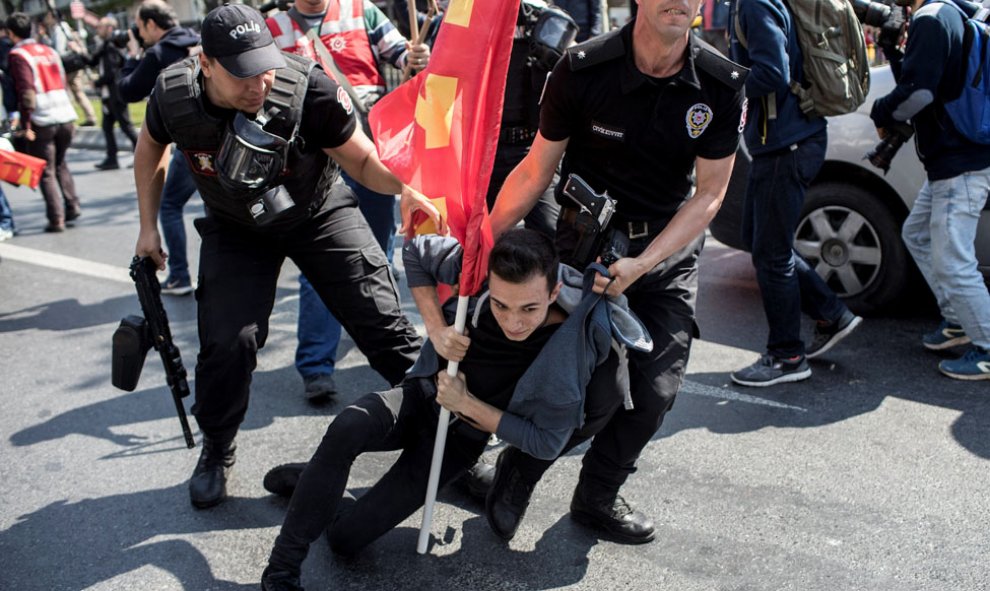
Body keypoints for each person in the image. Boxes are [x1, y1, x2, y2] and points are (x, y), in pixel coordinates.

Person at [132, 3, 438, 510]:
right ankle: (217, 447)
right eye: (243, 74)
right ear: (206, 64)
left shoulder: (307, 87)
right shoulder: (174, 94)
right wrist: (147, 227)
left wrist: (403, 186)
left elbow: (360, 157)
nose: (260, 84)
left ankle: (448, 431)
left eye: (266, 66)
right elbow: (150, 150)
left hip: (317, 211)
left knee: (384, 324)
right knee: (229, 343)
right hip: (237, 228)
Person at [488, 0, 747, 544]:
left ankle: (597, 497)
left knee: (656, 392)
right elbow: (537, 169)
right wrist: (484, 239)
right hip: (585, 246)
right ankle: (521, 470)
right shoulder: (581, 68)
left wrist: (645, 263)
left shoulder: (721, 84)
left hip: (664, 252)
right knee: (585, 391)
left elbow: (710, 194)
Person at [259, 228, 645, 591]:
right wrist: (436, 329)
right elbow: (414, 251)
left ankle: (321, 485)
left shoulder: (573, 347)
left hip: (458, 440)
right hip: (420, 397)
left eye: (529, 308)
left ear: (554, 289)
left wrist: (468, 405)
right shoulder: (475, 269)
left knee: (345, 540)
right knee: (348, 426)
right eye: (499, 304)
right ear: (488, 284)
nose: (513, 321)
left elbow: (546, 442)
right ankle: (281, 567)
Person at [266, 0, 432, 400]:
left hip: (368, 151)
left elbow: (403, 56)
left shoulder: (363, 11)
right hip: (308, 162)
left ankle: (386, 348)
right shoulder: (271, 27)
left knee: (373, 260)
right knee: (318, 266)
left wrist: (418, 55)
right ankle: (316, 366)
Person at [727, 0, 862, 388]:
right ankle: (831, 312)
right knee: (759, 240)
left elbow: (771, 73)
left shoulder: (752, 4)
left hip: (787, 145)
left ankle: (787, 354)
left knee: (771, 253)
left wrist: (723, 80)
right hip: (786, 141)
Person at [870, 0, 990, 380]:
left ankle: (987, 344)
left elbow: (918, 94)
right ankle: (957, 321)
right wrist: (892, 49)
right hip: (958, 157)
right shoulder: (957, 11)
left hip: (960, 162)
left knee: (952, 259)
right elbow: (922, 79)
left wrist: (881, 111)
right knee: (917, 234)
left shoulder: (931, 17)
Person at [119, 0, 201, 296]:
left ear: (152, 25)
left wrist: (131, 55)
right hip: (222, 139)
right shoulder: (197, 40)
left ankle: (179, 275)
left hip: (190, 143)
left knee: (168, 204)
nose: (139, 35)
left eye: (140, 28)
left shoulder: (157, 53)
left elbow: (128, 89)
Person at [6, 12, 81, 234]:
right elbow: (63, 80)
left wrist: (26, 123)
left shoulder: (19, 54)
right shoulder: (49, 50)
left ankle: (56, 218)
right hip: (65, 113)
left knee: (46, 170)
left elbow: (26, 91)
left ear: (11, 33)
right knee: (61, 163)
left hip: (42, 117)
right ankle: (72, 204)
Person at [89, 16, 138, 171]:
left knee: (126, 126)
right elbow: (92, 61)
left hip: (115, 94)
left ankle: (141, 155)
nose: (98, 29)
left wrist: (96, 82)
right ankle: (111, 158)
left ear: (110, 28)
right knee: (107, 126)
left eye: (101, 27)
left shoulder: (111, 46)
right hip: (109, 95)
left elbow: (111, 73)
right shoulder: (106, 45)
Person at [42, 10, 96, 127]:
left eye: (48, 16)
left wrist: (48, 44)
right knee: (76, 93)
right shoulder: (63, 27)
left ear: (53, 17)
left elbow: (59, 51)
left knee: (75, 92)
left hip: (69, 66)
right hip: (73, 65)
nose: (46, 19)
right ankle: (88, 116)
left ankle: (88, 117)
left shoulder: (59, 29)